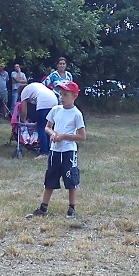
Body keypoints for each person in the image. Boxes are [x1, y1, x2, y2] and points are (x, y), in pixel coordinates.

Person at [27, 81, 86, 219]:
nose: (62, 97)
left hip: (68, 151)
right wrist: (53, 134)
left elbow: (82, 136)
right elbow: (47, 127)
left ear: (74, 96)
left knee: (71, 180)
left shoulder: (76, 114)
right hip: (55, 151)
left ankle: (71, 208)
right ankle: (43, 207)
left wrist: (64, 136)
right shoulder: (55, 110)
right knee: (50, 178)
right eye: (61, 94)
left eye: (66, 95)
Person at [19, 79, 58, 157]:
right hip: (54, 100)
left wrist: (24, 120)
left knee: (41, 127)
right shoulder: (35, 86)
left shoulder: (24, 92)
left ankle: (44, 152)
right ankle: (50, 149)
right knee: (49, 127)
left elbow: (24, 110)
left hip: (44, 103)